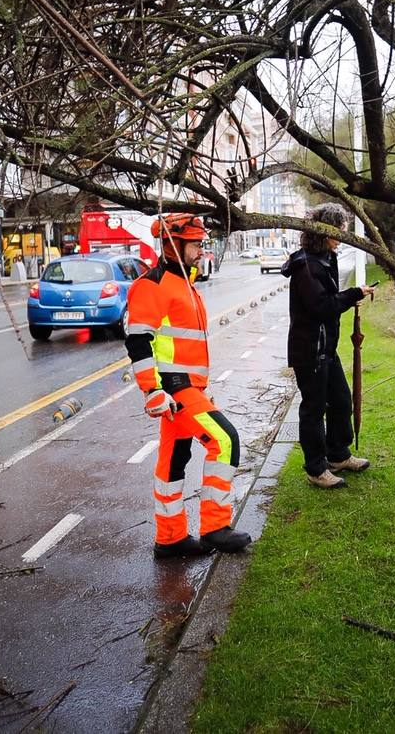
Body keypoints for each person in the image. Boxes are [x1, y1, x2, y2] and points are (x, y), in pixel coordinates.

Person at [125, 213, 251, 558]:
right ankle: (214, 527)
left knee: (173, 461)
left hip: (184, 389)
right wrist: (152, 390)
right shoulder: (152, 286)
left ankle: (170, 538)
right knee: (225, 441)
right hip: (174, 390)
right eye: (194, 244)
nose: (200, 249)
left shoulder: (186, 284)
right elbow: (138, 343)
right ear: (172, 245)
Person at [280, 203, 376, 488]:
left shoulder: (325, 258)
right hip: (309, 351)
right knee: (313, 409)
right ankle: (316, 468)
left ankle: (337, 455)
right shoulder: (306, 265)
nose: (341, 237)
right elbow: (322, 307)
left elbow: (330, 300)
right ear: (323, 232)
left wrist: (348, 297)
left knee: (341, 400)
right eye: (338, 232)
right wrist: (352, 294)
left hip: (325, 349)